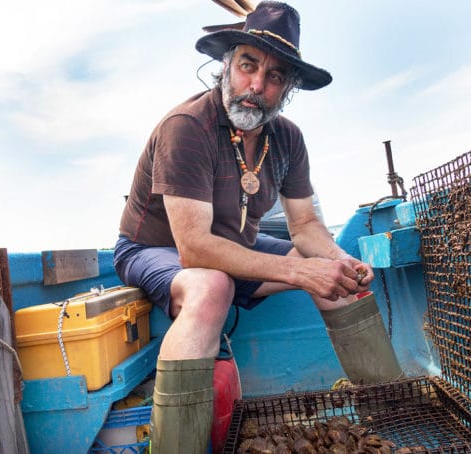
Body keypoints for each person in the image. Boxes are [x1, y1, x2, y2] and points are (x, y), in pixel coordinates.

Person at [114, 2, 400, 452]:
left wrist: (341, 262)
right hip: (154, 248)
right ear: (227, 66)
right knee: (212, 288)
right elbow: (194, 249)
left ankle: (394, 413)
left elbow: (304, 223)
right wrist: (300, 273)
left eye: (274, 77)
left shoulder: (287, 138)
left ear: (286, 89)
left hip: (232, 245)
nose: (256, 85)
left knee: (341, 278)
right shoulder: (187, 127)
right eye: (248, 66)